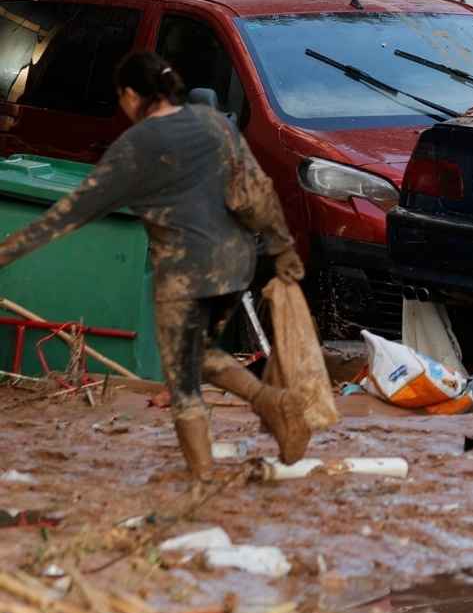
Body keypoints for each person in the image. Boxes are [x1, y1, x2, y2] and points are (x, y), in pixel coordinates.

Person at [0, 52, 312, 480]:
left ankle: (202, 479)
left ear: (131, 95)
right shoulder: (214, 123)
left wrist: (8, 250)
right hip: (237, 264)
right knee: (199, 354)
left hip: (186, 272)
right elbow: (256, 191)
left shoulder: (135, 146)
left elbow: (69, 213)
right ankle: (271, 405)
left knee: (183, 379)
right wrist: (282, 247)